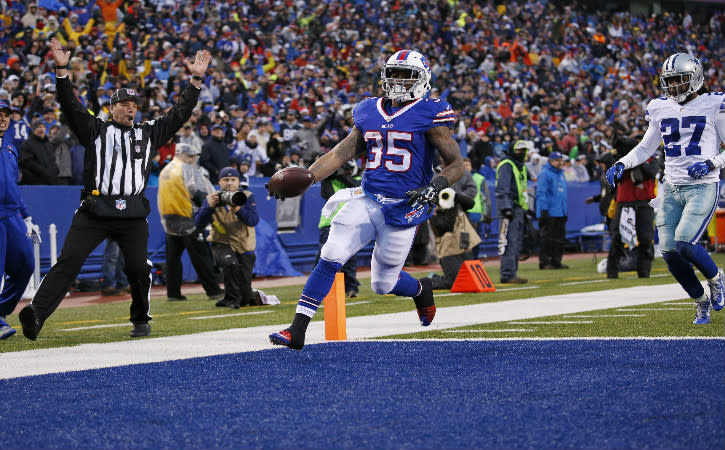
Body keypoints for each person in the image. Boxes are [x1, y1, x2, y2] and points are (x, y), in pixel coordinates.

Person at [268, 49, 464, 350]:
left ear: (422, 79)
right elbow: (340, 153)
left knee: (383, 284)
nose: (398, 81)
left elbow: (456, 164)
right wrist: (308, 178)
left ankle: (421, 289)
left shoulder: (430, 112)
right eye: (393, 73)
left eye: (405, 75)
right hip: (368, 197)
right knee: (331, 253)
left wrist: (435, 186)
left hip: (405, 205)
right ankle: (297, 330)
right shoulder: (368, 110)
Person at [18, 38, 211, 340]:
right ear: (111, 108)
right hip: (95, 208)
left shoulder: (148, 132)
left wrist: (196, 81)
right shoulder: (96, 129)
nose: (130, 110)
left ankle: (141, 318)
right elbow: (71, 107)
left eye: (134, 105)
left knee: (137, 267)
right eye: (124, 105)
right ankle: (37, 314)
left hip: (132, 212)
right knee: (69, 261)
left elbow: (179, 113)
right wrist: (61, 71)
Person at [606, 53, 724, 325]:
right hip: (671, 187)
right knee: (670, 252)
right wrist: (622, 163)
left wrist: (712, 163)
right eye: (669, 82)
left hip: (702, 186)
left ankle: (717, 278)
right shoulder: (660, 107)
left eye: (680, 81)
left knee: (685, 243)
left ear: (695, 79)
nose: (673, 88)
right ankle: (700, 300)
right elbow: (647, 146)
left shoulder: (714, 104)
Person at [158, 143, 224, 302]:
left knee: (173, 260)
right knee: (201, 257)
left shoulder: (165, 170)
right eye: (190, 156)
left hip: (170, 221)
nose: (192, 159)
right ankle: (214, 290)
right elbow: (199, 192)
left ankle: (173, 293)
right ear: (182, 154)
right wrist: (209, 208)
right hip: (188, 219)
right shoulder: (186, 170)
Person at [0, 100, 38, 339]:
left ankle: (1, 311)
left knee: (26, 264)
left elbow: (12, 185)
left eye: (6, 115)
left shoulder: (11, 147)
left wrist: (27, 217)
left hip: (12, 215)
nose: (3, 118)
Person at [194, 167, 258, 309]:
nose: (229, 183)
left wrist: (239, 210)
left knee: (245, 297)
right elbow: (198, 223)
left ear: (238, 182)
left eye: (233, 180)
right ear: (219, 182)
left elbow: (253, 220)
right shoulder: (213, 198)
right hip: (221, 243)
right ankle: (231, 300)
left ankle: (233, 298)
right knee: (231, 263)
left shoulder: (246, 196)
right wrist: (208, 207)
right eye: (226, 180)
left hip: (244, 245)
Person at [605, 136, 659, 279]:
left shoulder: (652, 160)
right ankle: (612, 272)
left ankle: (644, 271)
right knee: (618, 236)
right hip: (625, 202)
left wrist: (637, 160)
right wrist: (625, 160)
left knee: (646, 238)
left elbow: (651, 173)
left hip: (644, 203)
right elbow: (614, 178)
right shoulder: (621, 162)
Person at [316, 159, 361, 298]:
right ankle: (318, 287)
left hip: (349, 224)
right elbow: (326, 194)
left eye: (347, 170)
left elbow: (356, 185)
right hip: (329, 224)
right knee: (323, 256)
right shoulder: (329, 181)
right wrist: (331, 173)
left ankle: (351, 288)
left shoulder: (358, 180)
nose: (345, 172)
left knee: (349, 259)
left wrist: (341, 175)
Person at [495, 140, 530, 284]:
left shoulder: (519, 166)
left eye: (523, 151)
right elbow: (502, 187)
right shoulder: (507, 165)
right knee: (508, 241)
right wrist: (506, 208)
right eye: (518, 150)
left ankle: (512, 272)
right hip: (509, 209)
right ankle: (507, 273)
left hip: (518, 208)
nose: (521, 153)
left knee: (515, 242)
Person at [536, 151, 568, 270]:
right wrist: (544, 210)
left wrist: (565, 212)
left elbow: (562, 195)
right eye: (557, 160)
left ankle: (556, 261)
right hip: (550, 212)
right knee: (547, 238)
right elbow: (541, 193)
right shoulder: (545, 174)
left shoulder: (561, 174)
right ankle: (544, 262)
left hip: (560, 212)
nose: (560, 163)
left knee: (559, 238)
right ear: (551, 161)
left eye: (561, 160)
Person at [19, 119, 59, 185]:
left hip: (50, 181)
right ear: (34, 129)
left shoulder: (48, 143)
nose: (41, 129)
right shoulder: (27, 143)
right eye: (39, 127)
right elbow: (27, 162)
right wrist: (43, 171)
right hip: (35, 182)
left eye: (43, 127)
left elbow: (53, 159)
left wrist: (55, 170)